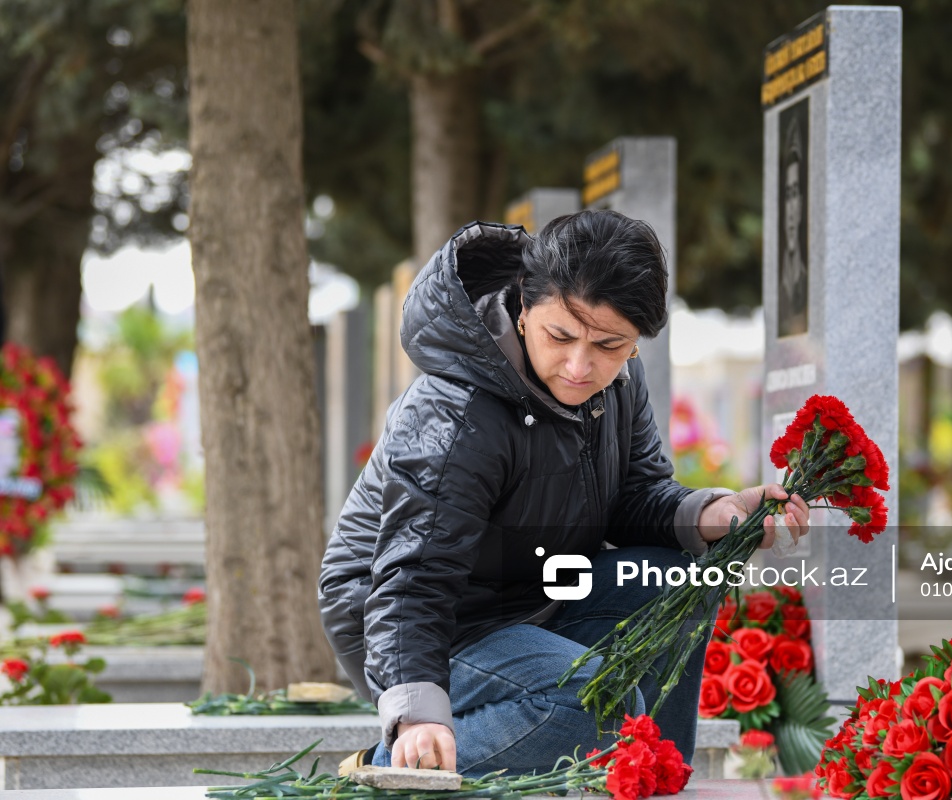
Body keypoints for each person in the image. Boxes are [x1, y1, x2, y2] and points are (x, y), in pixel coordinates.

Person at [318, 210, 809, 778]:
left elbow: (635, 494)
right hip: (417, 619)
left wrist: (710, 513)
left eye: (610, 344)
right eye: (561, 337)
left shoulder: (619, 380)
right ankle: (390, 765)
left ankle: (653, 776)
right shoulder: (456, 412)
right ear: (524, 307)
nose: (580, 366)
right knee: (597, 703)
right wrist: (416, 716)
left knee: (678, 577)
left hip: (531, 594)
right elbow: (414, 573)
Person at [778, 112, 808, 336]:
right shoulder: (782, 282)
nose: (790, 209)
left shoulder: (805, 277)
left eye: (795, 192)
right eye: (788, 193)